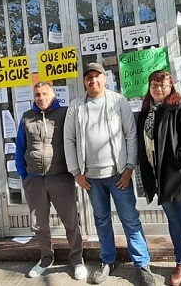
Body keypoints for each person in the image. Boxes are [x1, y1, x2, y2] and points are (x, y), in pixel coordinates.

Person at [64, 63, 155, 286]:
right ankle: (107, 261)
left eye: (97, 76)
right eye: (88, 78)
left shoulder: (117, 101)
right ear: (84, 81)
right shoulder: (76, 107)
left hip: (118, 175)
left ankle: (142, 264)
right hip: (91, 179)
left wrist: (129, 168)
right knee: (101, 220)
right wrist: (76, 173)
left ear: (104, 79)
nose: (92, 81)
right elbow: (69, 140)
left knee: (130, 220)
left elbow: (131, 135)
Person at [136, 70, 181, 286]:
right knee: (174, 220)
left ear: (170, 87)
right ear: (149, 88)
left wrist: (177, 161)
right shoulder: (146, 113)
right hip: (161, 177)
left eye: (162, 86)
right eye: (154, 86)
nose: (158, 89)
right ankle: (180, 262)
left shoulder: (180, 108)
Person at [16, 81, 87, 280]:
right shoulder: (27, 117)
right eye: (37, 95)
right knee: (39, 225)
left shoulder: (65, 114)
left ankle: (77, 259)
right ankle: (46, 258)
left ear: (53, 94)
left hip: (61, 177)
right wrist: (25, 176)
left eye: (45, 94)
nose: (41, 98)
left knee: (70, 221)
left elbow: (76, 141)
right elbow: (19, 148)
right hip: (35, 180)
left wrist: (75, 171)